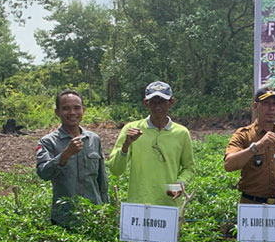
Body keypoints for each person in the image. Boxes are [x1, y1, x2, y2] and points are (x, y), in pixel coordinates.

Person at [108, 81, 194, 205]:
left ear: (171, 102)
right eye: (153, 101)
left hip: (168, 205)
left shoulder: (181, 133)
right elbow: (115, 170)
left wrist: (179, 184)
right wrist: (126, 145)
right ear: (146, 103)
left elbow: (189, 168)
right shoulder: (131, 129)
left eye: (162, 101)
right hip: (138, 204)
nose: (157, 106)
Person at [36, 90, 109, 226]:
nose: (72, 113)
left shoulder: (94, 139)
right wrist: (65, 155)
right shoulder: (48, 142)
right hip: (64, 218)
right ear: (57, 112)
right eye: (66, 109)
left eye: (76, 108)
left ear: (83, 110)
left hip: (93, 216)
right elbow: (43, 173)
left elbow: (102, 179)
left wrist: (106, 208)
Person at [224, 86, 275, 205]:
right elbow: (229, 164)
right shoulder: (243, 135)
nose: (271, 108)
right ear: (255, 106)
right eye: (266, 104)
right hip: (252, 203)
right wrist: (256, 147)